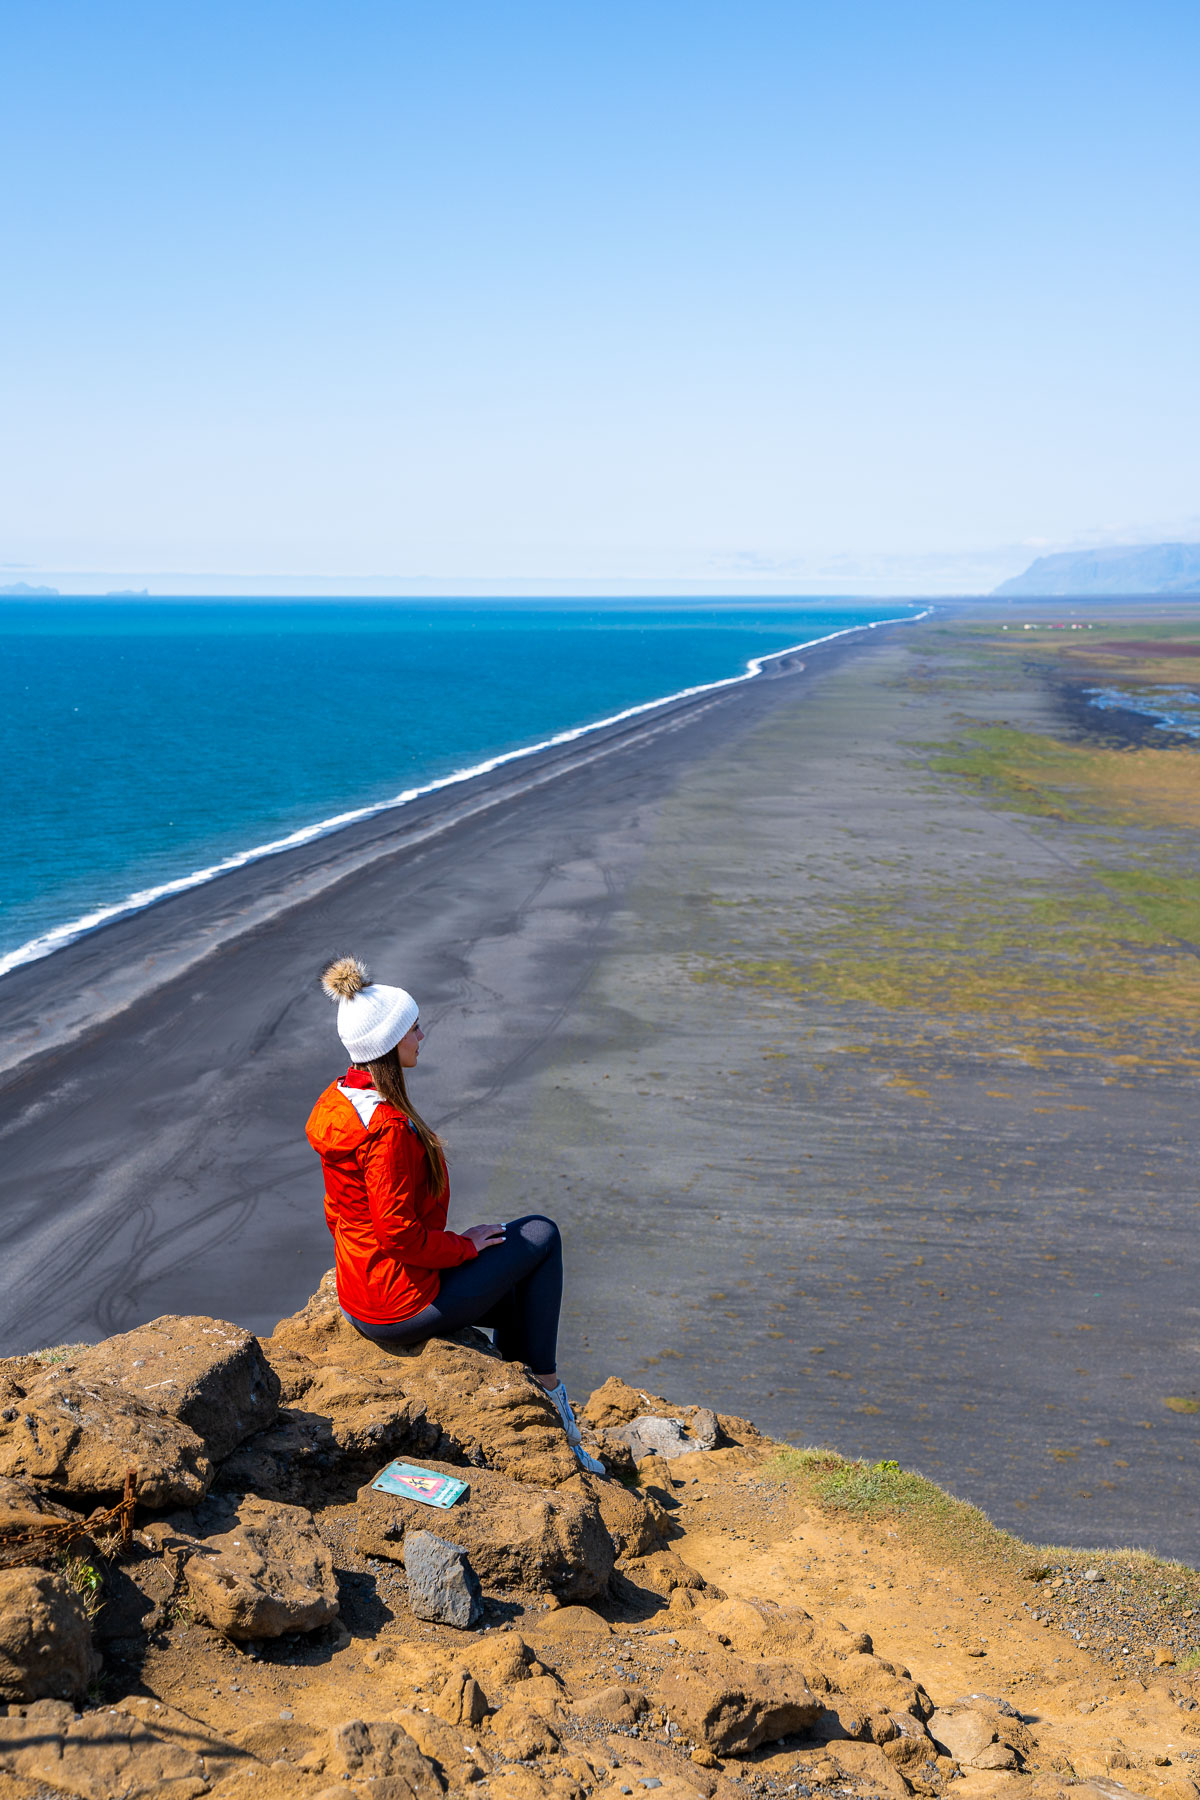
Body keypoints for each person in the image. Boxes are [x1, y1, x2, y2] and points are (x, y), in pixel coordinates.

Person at [305, 955, 603, 1474]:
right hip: (399, 1306)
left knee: (517, 1293)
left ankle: (530, 1411)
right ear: (391, 1044)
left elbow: (338, 1213)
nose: (422, 1034)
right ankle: (554, 1406)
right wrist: (463, 1247)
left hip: (363, 1293)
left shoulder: (338, 1102)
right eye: (413, 1027)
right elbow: (398, 1234)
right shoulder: (388, 1130)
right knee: (540, 1235)